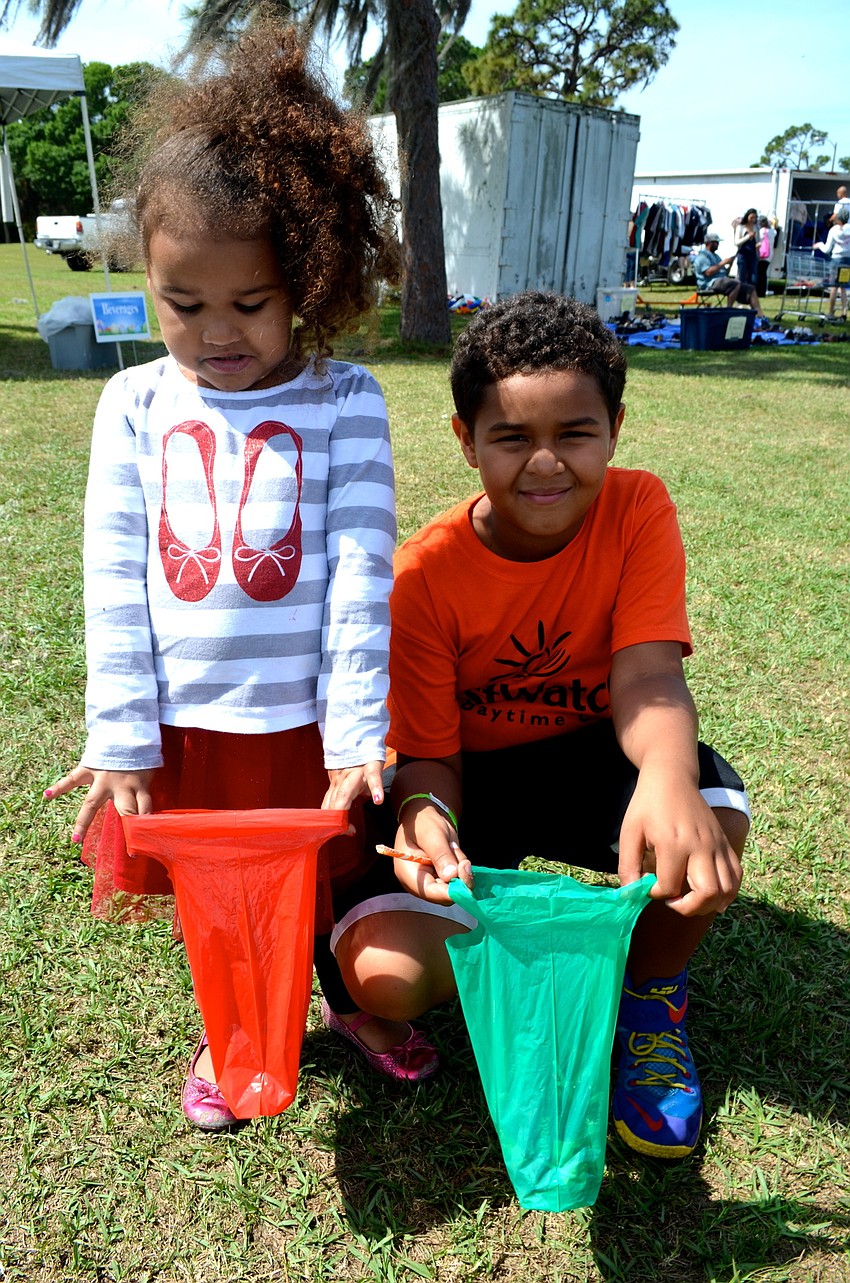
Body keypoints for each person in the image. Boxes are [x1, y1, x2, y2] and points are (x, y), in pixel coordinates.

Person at [43, 23, 420, 1131]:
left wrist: (357, 729)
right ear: (147, 282)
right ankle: (235, 1026)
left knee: (326, 877)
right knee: (220, 894)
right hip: (187, 725)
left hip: (307, 725)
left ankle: (349, 1000)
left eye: (249, 303)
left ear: (306, 277)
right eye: (182, 302)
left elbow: (360, 574)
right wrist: (122, 732)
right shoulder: (133, 403)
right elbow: (113, 574)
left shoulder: (346, 401)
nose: (215, 332)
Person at [328, 292, 751, 1162]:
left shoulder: (637, 509)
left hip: (588, 758)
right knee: (386, 976)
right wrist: (425, 819)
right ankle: (546, 953)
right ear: (466, 439)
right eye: (513, 437)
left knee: (712, 815)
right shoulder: (423, 578)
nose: (546, 462)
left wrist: (668, 779)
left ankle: (648, 994)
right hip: (472, 781)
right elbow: (430, 756)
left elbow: (647, 676)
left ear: (616, 428)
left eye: (576, 432)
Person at [693, 231, 767, 317]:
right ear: (709, 243)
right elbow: (708, 273)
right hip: (710, 283)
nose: (718, 245)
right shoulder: (702, 256)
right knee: (734, 284)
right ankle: (728, 311)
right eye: (716, 242)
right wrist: (723, 263)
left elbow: (724, 274)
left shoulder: (716, 256)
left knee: (750, 288)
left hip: (722, 281)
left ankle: (760, 315)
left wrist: (730, 264)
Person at [814, 206, 850, 320]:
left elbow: (826, 249)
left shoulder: (833, 230)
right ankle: (844, 312)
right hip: (847, 260)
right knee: (843, 287)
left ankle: (831, 311)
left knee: (834, 287)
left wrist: (819, 245)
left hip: (836, 260)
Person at [733, 208, 759, 287]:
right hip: (743, 254)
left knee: (753, 278)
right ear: (747, 216)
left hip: (753, 255)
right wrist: (747, 236)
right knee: (742, 276)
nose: (753, 220)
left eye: (755, 218)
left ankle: (751, 292)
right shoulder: (741, 227)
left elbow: (757, 240)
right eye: (751, 217)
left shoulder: (756, 227)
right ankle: (741, 292)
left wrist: (758, 245)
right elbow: (736, 242)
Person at [756, 215, 776, 298]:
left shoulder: (761, 231)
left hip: (762, 254)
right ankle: (762, 291)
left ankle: (759, 291)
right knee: (763, 273)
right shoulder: (772, 231)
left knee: (760, 273)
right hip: (769, 254)